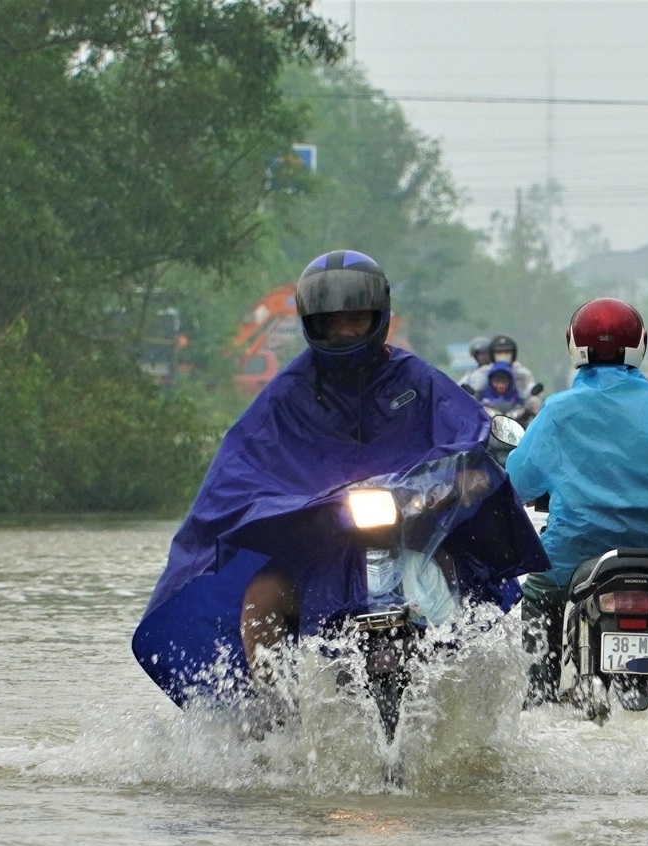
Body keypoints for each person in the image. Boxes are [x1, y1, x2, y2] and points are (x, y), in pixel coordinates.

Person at [132, 251, 547, 703]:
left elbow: (466, 433)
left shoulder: (418, 381)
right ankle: (275, 721)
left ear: (379, 317)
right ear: (313, 322)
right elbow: (240, 468)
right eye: (333, 322)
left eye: (356, 319)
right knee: (261, 598)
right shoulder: (286, 395)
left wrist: (470, 476)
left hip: (415, 542)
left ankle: (470, 712)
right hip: (321, 554)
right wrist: (279, 509)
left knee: (464, 593)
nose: (346, 332)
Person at [506, 298, 648, 701]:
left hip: (577, 546)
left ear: (574, 345)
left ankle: (539, 697)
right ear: (640, 344)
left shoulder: (558, 411)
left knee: (538, 592)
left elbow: (519, 482)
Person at [462, 333, 542, 419]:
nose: (503, 357)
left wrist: (531, 401)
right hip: (489, 412)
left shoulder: (522, 373)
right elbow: (466, 388)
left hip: (516, 411)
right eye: (499, 353)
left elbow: (530, 390)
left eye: (507, 353)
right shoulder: (482, 372)